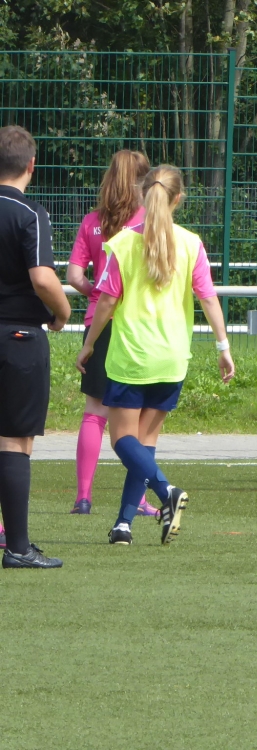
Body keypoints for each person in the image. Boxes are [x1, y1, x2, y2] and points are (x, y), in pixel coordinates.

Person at [76, 164, 235, 546]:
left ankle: (166, 492)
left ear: (143, 195)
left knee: (122, 441)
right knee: (144, 442)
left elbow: (107, 301)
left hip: (133, 357)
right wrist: (223, 347)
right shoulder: (191, 243)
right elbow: (208, 298)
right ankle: (123, 524)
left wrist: (89, 344)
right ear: (178, 199)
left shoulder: (123, 243)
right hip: (172, 358)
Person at [66, 149, 158, 517]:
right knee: (138, 418)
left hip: (98, 323)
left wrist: (96, 292)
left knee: (94, 411)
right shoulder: (148, 220)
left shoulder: (92, 221)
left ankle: (83, 497)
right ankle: (138, 499)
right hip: (138, 325)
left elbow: (74, 276)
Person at [0, 125, 71, 568]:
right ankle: (18, 548)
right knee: (14, 440)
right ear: (31, 164)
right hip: (18, 336)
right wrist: (62, 312)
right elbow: (43, 278)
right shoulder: (30, 213)